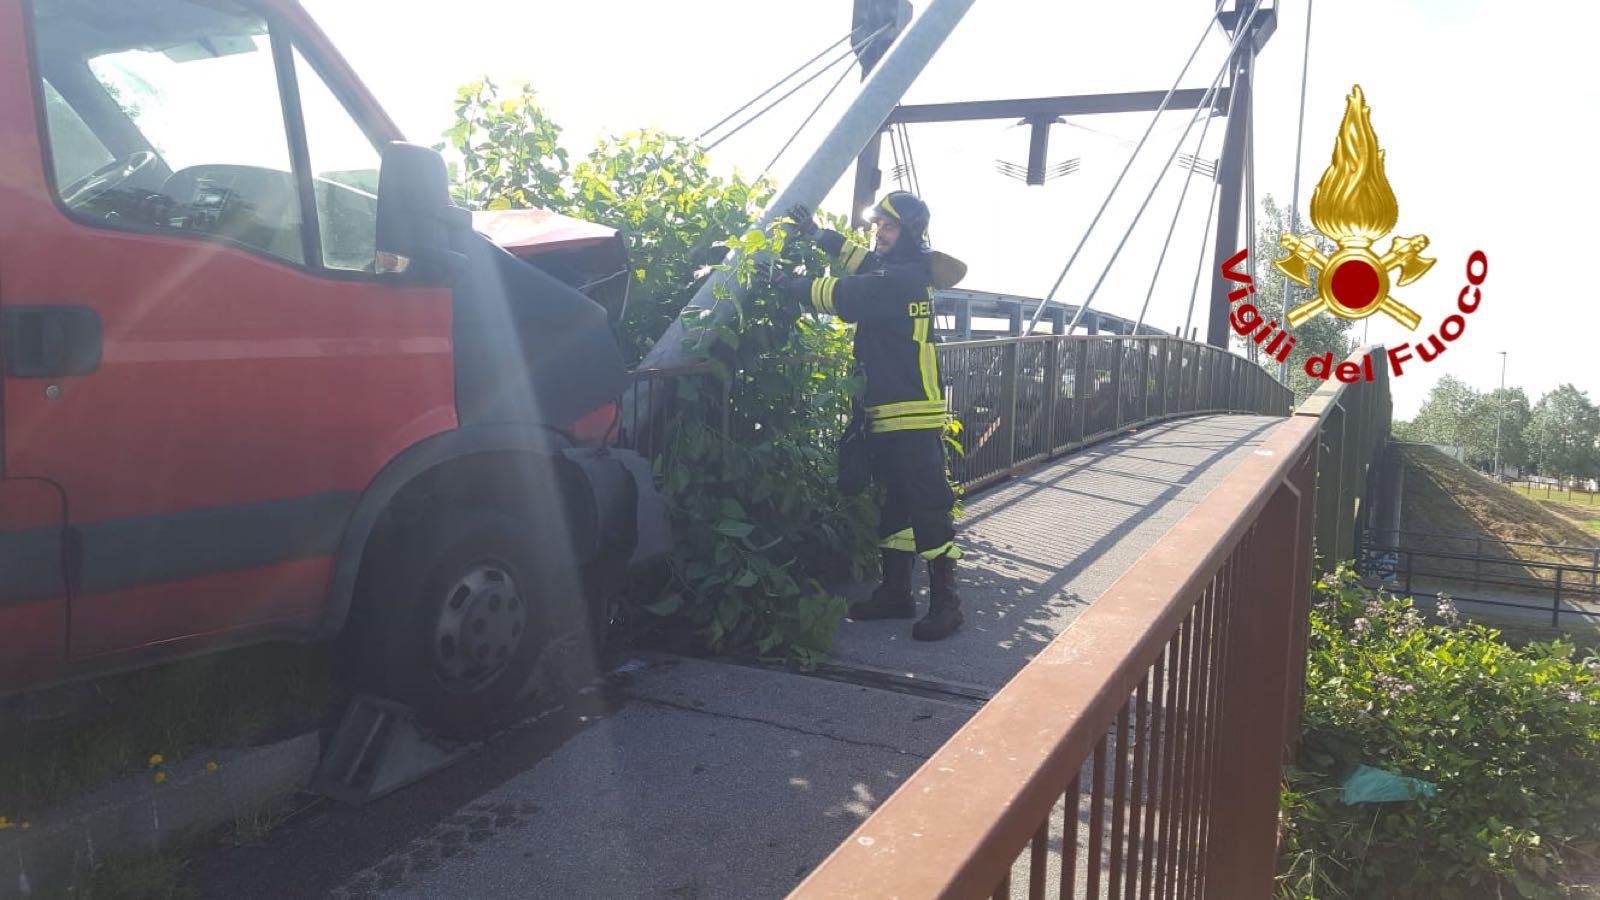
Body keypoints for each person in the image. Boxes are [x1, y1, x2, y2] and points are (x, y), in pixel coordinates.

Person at [768, 191, 963, 641]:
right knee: (894, 503)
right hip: (890, 410)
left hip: (912, 412)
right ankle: (895, 593)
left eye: (888, 227)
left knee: (929, 507)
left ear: (910, 232)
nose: (878, 233)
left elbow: (844, 295)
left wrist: (784, 283)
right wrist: (820, 236)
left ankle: (946, 604)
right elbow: (860, 262)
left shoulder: (900, 281)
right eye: (877, 225)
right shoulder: (900, 270)